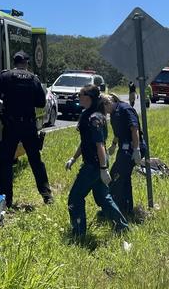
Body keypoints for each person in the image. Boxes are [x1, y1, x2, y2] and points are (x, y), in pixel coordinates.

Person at [0, 50, 54, 208]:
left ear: (14, 62)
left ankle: (7, 200)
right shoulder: (33, 79)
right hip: (28, 126)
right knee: (36, 161)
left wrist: (1, 101)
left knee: (6, 161)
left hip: (10, 125)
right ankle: (47, 195)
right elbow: (41, 103)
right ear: (26, 63)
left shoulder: (5, 76)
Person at [64, 85, 128, 237]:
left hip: (94, 165)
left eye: (80, 95)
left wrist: (103, 168)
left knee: (75, 197)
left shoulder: (95, 118)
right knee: (103, 198)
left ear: (89, 97)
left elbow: (99, 145)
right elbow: (86, 142)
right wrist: (74, 158)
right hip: (96, 163)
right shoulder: (88, 114)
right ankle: (122, 227)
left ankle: (78, 233)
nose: (78, 97)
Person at [106, 94, 145, 218]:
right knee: (124, 177)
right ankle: (126, 209)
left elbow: (134, 128)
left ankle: (114, 210)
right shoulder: (113, 113)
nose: (104, 112)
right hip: (124, 148)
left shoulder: (125, 109)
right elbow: (119, 132)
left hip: (132, 148)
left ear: (109, 102)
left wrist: (136, 149)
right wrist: (113, 144)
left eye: (104, 107)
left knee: (116, 176)